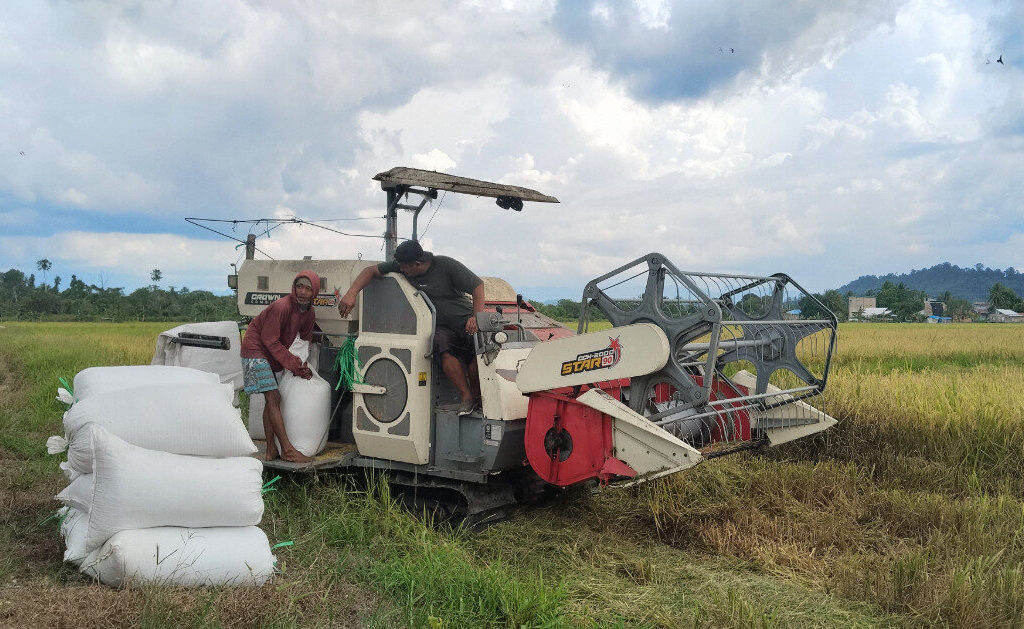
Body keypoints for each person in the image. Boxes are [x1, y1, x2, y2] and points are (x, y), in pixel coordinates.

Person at [338, 240, 484, 415]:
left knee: (475, 357)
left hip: (465, 321)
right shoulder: (403, 265)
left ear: (418, 263)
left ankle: (478, 398)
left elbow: (478, 286)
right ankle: (467, 397)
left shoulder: (446, 265)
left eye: (405, 267)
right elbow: (370, 271)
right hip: (441, 325)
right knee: (441, 345)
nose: (401, 270)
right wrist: (351, 294)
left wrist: (476, 317)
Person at [240, 271, 320, 462]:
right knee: (274, 396)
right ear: (294, 287)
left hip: (271, 354)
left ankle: (271, 450)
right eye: (299, 286)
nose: (302, 292)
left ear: (314, 292)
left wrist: (302, 365)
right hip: (255, 349)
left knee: (271, 400)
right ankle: (287, 450)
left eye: (308, 288)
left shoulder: (309, 313)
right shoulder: (282, 306)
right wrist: (292, 364)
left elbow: (304, 341)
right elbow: (270, 340)